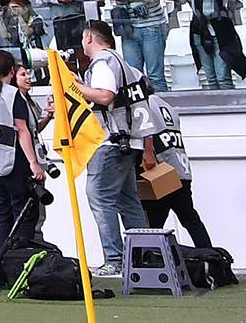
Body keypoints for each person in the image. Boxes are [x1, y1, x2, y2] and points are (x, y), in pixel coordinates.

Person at [73, 21, 149, 279]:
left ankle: (115, 259)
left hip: (109, 141)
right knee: (128, 200)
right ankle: (143, 255)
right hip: (130, 139)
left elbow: (105, 96)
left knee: (99, 196)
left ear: (89, 38)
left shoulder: (102, 63)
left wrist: (75, 87)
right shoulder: (124, 64)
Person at [0, 50, 52, 262]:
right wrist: (34, 163)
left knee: (2, 212)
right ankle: (20, 261)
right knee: (25, 212)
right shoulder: (10, 94)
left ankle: (1, 260)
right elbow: (23, 130)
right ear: (11, 70)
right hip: (14, 161)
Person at [137, 94, 212, 250]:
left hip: (162, 172)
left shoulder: (144, 104)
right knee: (191, 220)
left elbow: (146, 131)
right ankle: (211, 258)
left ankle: (151, 262)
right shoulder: (167, 106)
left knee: (152, 226)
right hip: (181, 169)